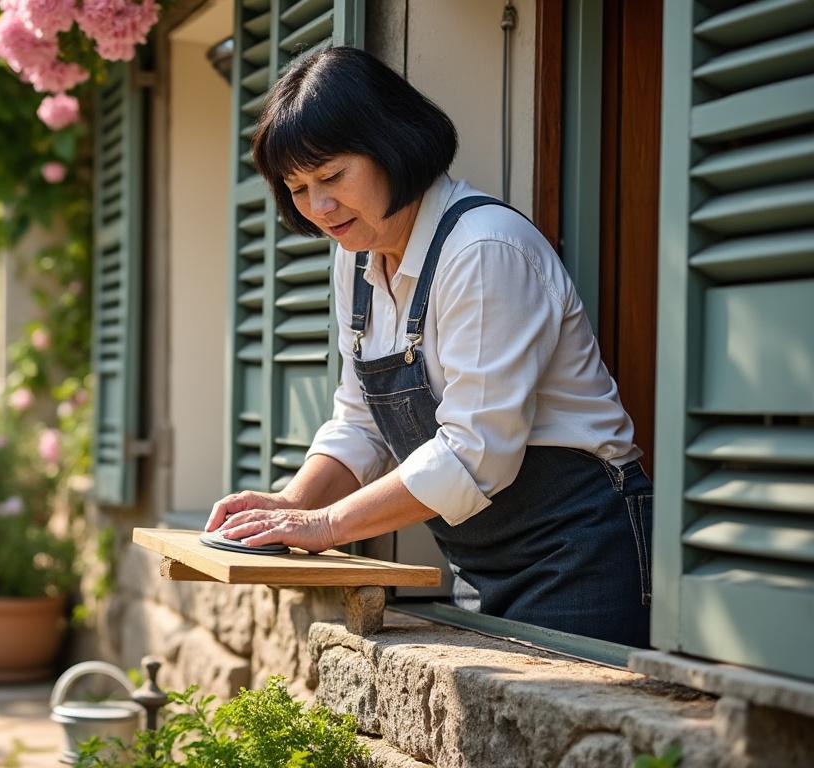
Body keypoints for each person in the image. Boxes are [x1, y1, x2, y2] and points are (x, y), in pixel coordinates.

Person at [204, 46, 653, 646]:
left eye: (333, 177)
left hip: (578, 553)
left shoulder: (484, 250)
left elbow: (476, 452)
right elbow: (361, 420)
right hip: (477, 564)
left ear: (393, 144)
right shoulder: (355, 256)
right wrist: (290, 506)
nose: (319, 208)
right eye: (300, 188)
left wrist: (326, 523)